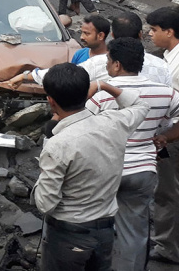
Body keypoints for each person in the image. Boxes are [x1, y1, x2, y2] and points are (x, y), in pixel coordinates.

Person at [33, 63, 149, 271]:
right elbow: (141, 105)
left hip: (67, 236)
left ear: (51, 101)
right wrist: (103, 86)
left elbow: (45, 204)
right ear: (86, 93)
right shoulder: (114, 123)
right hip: (105, 231)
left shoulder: (57, 145)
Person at [84, 38, 179, 271]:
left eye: (108, 60)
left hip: (106, 169)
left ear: (116, 65)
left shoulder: (101, 94)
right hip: (143, 171)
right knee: (135, 229)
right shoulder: (165, 92)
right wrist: (166, 136)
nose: (107, 65)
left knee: (96, 224)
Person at [146, 6, 179, 264]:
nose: (150, 34)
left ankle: (168, 247)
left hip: (172, 135)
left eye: (155, 30)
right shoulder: (167, 56)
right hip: (168, 133)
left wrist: (168, 136)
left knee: (167, 192)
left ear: (169, 31)